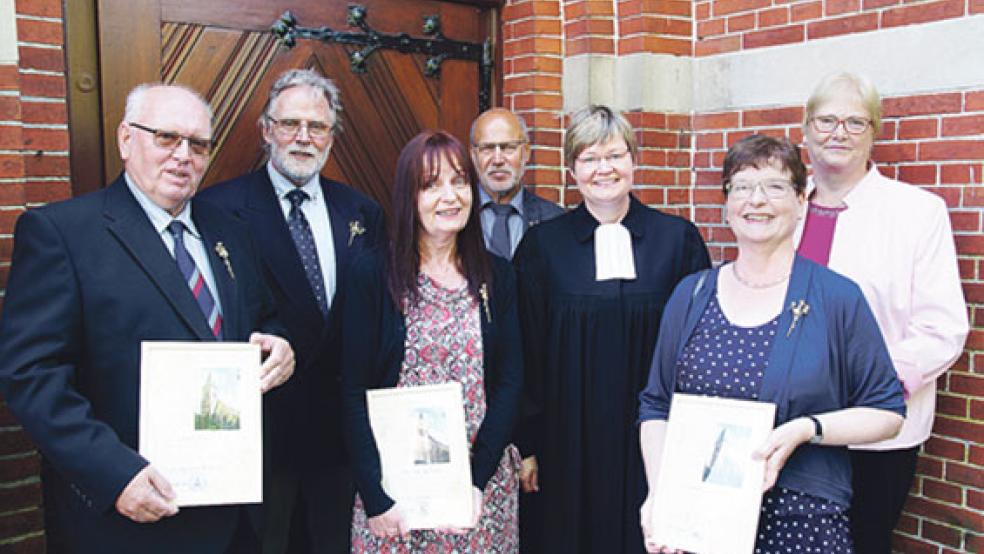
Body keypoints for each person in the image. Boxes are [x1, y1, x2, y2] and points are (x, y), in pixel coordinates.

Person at [0, 84, 295, 553]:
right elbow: (32, 377)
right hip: (129, 518)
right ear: (125, 139)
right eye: (166, 137)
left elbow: (264, 319)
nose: (184, 156)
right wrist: (113, 475)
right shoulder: (62, 233)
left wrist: (280, 346)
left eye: (198, 145)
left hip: (232, 514)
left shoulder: (231, 233)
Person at [639, 134, 907, 554]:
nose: (756, 200)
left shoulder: (836, 298)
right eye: (742, 187)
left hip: (803, 526)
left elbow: (887, 412)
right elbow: (656, 406)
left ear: (802, 201)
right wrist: (661, 495)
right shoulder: (691, 295)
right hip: (700, 526)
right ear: (727, 203)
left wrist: (808, 429)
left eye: (775, 186)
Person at [199, 68, 385, 554]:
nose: (304, 137)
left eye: (317, 126)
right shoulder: (218, 209)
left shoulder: (362, 212)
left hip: (342, 440)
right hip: (262, 435)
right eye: (290, 124)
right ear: (266, 130)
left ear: (332, 136)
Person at [514, 105, 711, 554]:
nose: (604, 169)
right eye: (589, 158)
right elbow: (526, 350)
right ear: (571, 170)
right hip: (567, 440)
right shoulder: (543, 247)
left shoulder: (677, 240)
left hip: (654, 441)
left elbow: (699, 350)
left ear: (634, 161)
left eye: (615, 155)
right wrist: (527, 445)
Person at [795, 72, 968, 553]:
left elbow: (942, 328)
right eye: (827, 120)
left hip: (874, 428)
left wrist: (873, 386)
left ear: (875, 131)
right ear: (806, 129)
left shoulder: (917, 213)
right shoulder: (782, 204)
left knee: (861, 543)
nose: (839, 132)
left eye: (856, 121)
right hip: (787, 419)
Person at [340, 130, 523, 552]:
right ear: (409, 196)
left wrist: (475, 482)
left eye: (459, 181)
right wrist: (375, 495)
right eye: (431, 184)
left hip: (479, 494)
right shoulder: (372, 275)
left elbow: (511, 382)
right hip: (395, 494)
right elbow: (352, 391)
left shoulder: (497, 276)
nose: (450, 196)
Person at [469, 108, 564, 260]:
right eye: (487, 149)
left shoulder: (555, 220)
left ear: (526, 152)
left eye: (508, 148)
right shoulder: (457, 216)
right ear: (473, 156)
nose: (498, 160)